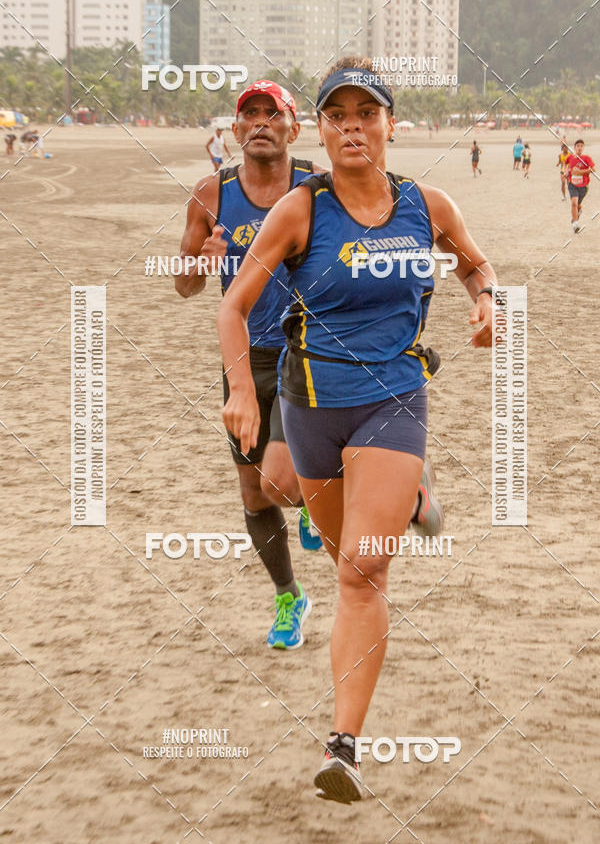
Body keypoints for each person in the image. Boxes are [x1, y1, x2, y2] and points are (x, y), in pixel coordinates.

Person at [217, 57, 497, 803]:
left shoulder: (426, 205)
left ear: (390, 126)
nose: (352, 128)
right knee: (334, 543)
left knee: (361, 573)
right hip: (312, 409)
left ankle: (342, 747)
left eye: (365, 114)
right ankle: (411, 496)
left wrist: (487, 299)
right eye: (337, 116)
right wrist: (243, 390)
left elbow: (476, 265)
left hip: (394, 400)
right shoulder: (302, 210)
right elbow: (232, 306)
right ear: (322, 128)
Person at [177, 80, 325, 650]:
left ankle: (314, 492)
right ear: (235, 133)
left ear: (294, 128)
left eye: (273, 114)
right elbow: (184, 286)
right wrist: (200, 262)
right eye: (250, 115)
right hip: (243, 356)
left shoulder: (320, 186)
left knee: (282, 483)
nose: (261, 122)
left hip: (310, 350)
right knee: (254, 494)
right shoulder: (210, 194)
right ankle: (290, 595)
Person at [566, 138, 595, 233]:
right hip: (572, 184)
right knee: (574, 202)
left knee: (578, 205)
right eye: (578, 146)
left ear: (583, 148)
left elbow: (593, 169)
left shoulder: (586, 158)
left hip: (583, 186)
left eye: (581, 146)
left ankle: (578, 212)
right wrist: (566, 172)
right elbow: (566, 167)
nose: (579, 148)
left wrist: (580, 172)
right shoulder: (570, 158)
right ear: (574, 147)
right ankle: (575, 225)